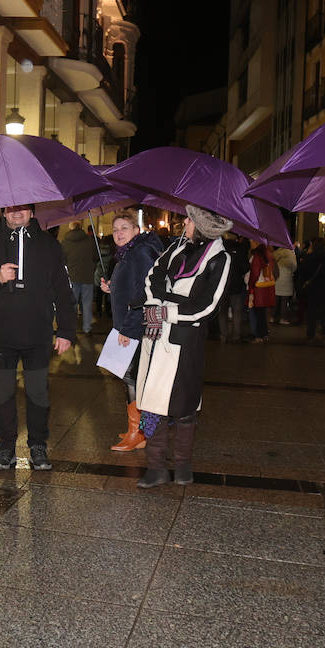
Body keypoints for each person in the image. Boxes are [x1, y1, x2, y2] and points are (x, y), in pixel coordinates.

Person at [0, 203, 75, 471]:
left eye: (22, 208)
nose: (16, 213)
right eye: (11, 208)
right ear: (2, 212)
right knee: (3, 394)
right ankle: (6, 447)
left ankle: (38, 445)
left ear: (33, 212)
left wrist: (67, 331)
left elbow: (63, 290)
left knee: (38, 394)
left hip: (38, 334)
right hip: (0, 334)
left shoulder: (49, 246)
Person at [135, 206, 233, 488]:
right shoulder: (177, 248)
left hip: (186, 343)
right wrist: (155, 304)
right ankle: (155, 467)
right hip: (155, 338)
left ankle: (182, 464)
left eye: (189, 219)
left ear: (202, 226)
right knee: (151, 403)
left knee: (185, 405)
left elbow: (208, 307)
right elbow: (153, 275)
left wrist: (167, 312)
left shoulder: (220, 259)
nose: (184, 222)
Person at [100, 212, 164, 452]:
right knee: (131, 376)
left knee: (132, 378)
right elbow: (132, 287)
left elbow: (146, 294)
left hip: (135, 327)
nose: (118, 233)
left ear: (136, 231)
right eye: (115, 229)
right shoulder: (127, 253)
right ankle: (136, 430)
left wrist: (127, 328)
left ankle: (138, 432)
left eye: (124, 228)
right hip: (128, 325)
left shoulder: (138, 253)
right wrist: (112, 287)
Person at [61, 221, 100, 335]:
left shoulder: (65, 242)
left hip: (72, 277)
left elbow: (63, 260)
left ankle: (71, 328)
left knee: (72, 303)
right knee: (87, 303)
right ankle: (87, 327)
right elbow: (95, 257)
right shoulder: (90, 241)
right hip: (87, 276)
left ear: (70, 228)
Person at [297, 238, 325, 343]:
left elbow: (302, 274)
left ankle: (311, 335)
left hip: (311, 290)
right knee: (324, 313)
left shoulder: (309, 258)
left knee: (311, 313)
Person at [217, 235, 250, 343]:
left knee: (222, 313)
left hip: (222, 287)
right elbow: (246, 268)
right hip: (236, 286)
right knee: (237, 312)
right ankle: (236, 336)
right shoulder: (240, 251)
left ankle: (224, 335)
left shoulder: (220, 249)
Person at [246, 243, 277, 343]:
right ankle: (265, 334)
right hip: (268, 288)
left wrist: (250, 286)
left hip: (258, 290)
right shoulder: (270, 255)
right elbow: (276, 272)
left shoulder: (257, 257)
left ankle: (258, 336)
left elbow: (254, 274)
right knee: (263, 314)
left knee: (258, 313)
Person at [272, 246, 297, 324]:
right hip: (286, 278)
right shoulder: (290, 254)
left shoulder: (275, 253)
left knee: (275, 299)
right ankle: (283, 318)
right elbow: (294, 266)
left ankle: (272, 317)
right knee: (284, 300)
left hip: (276, 278)